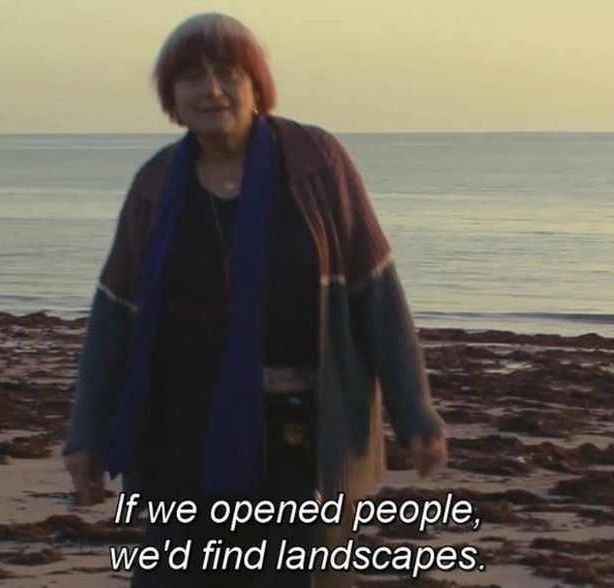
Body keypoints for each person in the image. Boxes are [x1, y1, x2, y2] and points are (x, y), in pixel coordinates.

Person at [63, 12, 448, 588]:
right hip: (181, 440)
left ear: (256, 84)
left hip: (302, 441)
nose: (211, 89)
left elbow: (376, 292)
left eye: (227, 72)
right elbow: (116, 318)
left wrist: (414, 411)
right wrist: (88, 433)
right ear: (171, 94)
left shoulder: (316, 163)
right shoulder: (155, 184)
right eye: (191, 76)